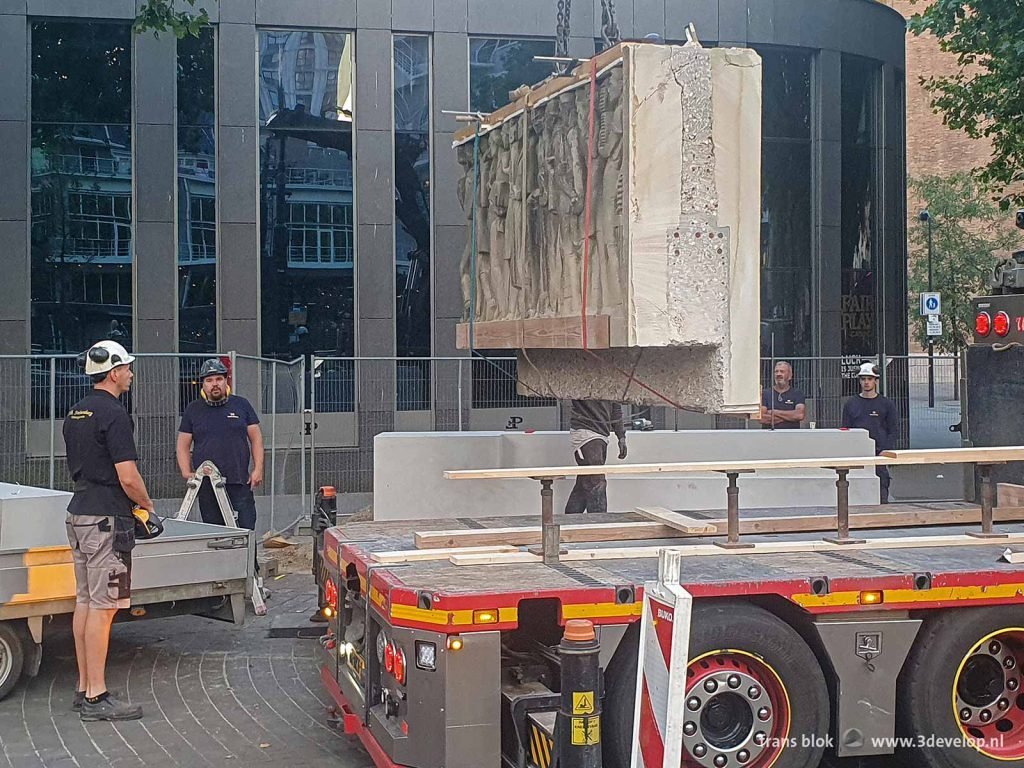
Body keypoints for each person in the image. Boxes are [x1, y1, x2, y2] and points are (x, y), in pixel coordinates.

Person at [63, 340, 149, 721]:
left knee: (84, 602)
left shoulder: (75, 412)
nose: (130, 373)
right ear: (113, 372)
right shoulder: (114, 413)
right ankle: (97, 697)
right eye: (127, 368)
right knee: (104, 608)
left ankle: (84, 687)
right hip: (106, 519)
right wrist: (147, 505)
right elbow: (127, 476)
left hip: (79, 512)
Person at [176, 359, 264, 532]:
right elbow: (182, 445)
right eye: (209, 380)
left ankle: (248, 561)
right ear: (203, 384)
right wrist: (186, 471)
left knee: (246, 530)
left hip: (239, 481)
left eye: (218, 379)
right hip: (207, 484)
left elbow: (256, 439)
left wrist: (258, 469)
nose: (214, 384)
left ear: (226, 380)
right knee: (214, 533)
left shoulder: (241, 405)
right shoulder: (193, 410)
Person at [842, 362, 899, 503]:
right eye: (863, 379)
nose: (866, 382)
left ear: (876, 381)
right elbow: (846, 430)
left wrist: (885, 450)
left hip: (879, 454)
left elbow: (893, 430)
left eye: (869, 379)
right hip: (857, 454)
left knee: (881, 485)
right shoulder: (851, 404)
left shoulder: (886, 404)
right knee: (857, 486)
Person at [565, 400, 627, 514]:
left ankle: (569, 522)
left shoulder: (612, 385)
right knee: (597, 482)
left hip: (601, 434)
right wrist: (621, 436)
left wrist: (621, 436)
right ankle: (599, 522)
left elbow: (616, 409)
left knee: (585, 483)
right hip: (585, 432)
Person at [759, 361, 806, 429]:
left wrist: (773, 412)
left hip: (791, 436)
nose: (778, 374)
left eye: (782, 371)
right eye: (776, 371)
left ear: (790, 376)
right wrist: (789, 418)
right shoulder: (765, 393)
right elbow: (761, 418)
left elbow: (799, 415)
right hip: (769, 436)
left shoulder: (797, 393)